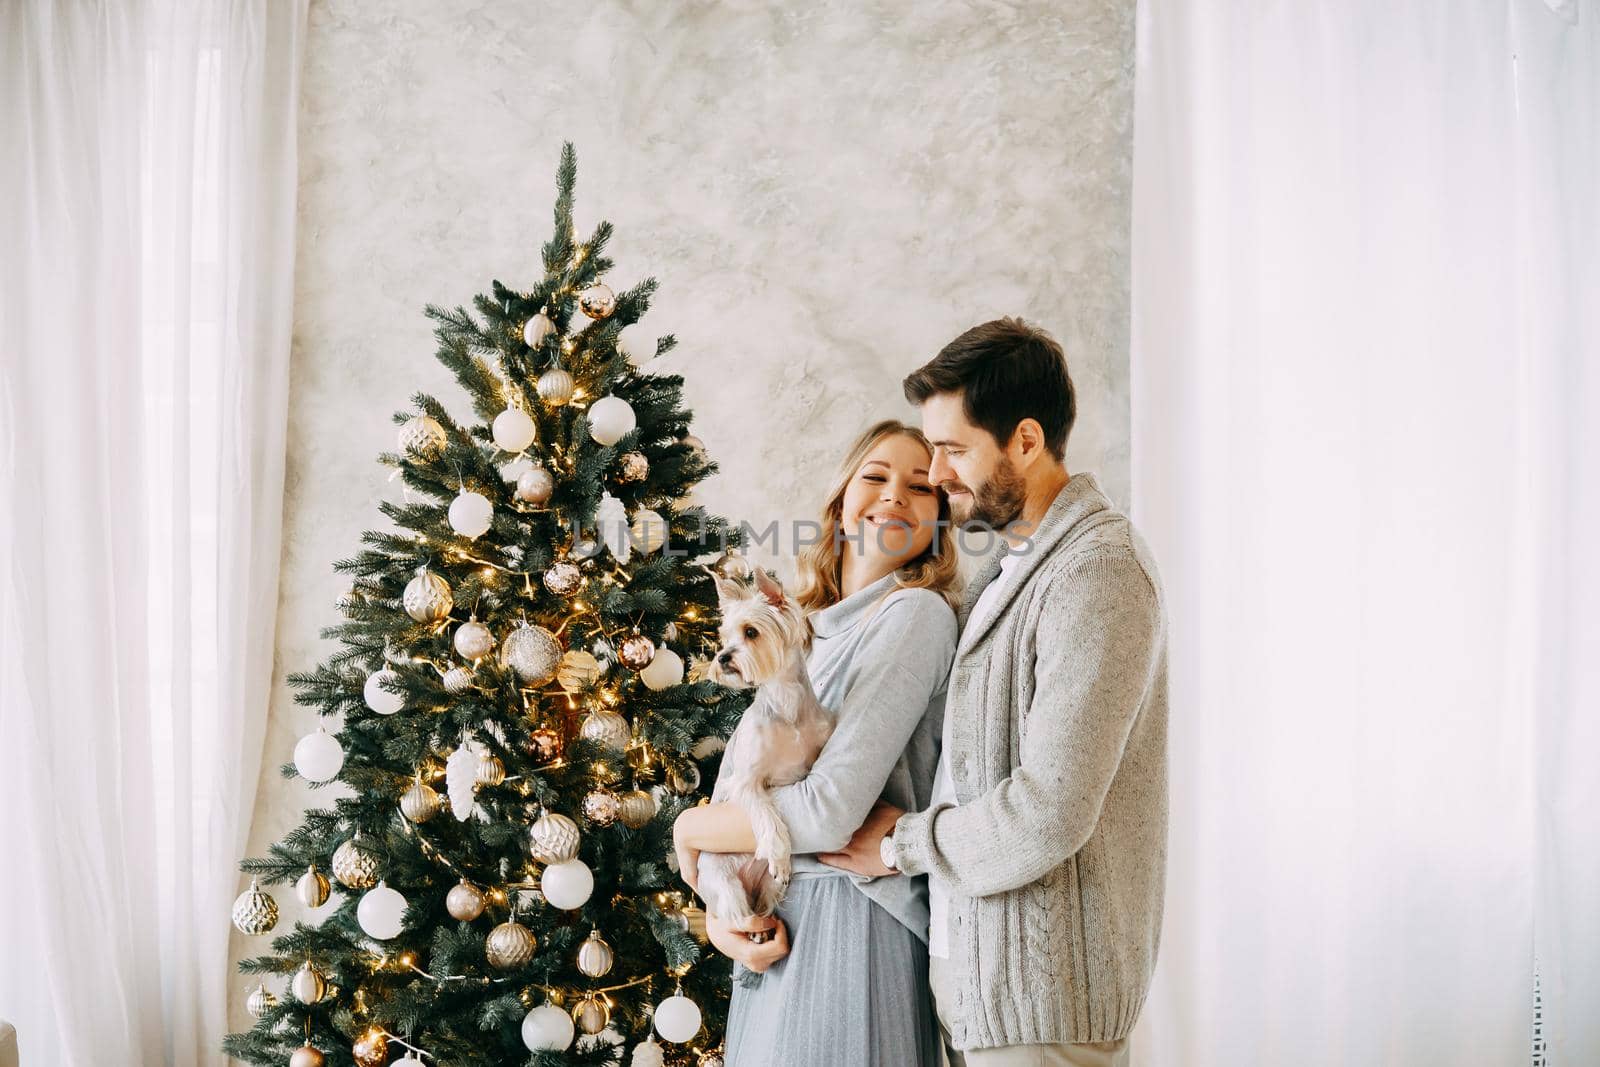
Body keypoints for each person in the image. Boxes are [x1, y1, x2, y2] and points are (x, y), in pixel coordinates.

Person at [819, 318, 1170, 1067]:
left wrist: (898, 842)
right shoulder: (1008, 573)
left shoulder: (1096, 572)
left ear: (1026, 441)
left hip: (1042, 1009)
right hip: (978, 992)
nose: (937, 474)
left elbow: (1050, 811)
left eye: (953, 450)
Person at [672, 418, 961, 1067]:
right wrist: (722, 922)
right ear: (841, 501)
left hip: (850, 921)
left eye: (921, 487)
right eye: (876, 476)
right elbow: (740, 795)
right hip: (774, 930)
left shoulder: (915, 613)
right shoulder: (798, 634)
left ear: (940, 522)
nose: (893, 494)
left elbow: (832, 809)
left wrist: (689, 828)